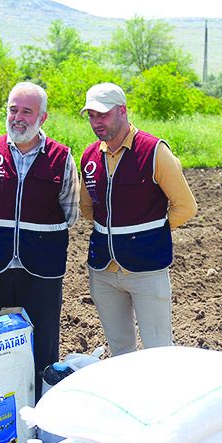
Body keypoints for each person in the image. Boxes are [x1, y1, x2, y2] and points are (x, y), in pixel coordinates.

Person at [0, 82, 79, 393]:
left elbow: (70, 212)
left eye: (26, 111)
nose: (18, 117)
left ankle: (42, 412)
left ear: (42, 117)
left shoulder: (61, 157)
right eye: (13, 110)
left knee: (43, 342)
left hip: (43, 266)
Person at [78, 83, 197, 356]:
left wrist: (149, 235)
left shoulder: (154, 151)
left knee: (158, 352)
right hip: (103, 270)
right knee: (120, 352)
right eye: (91, 116)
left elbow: (185, 206)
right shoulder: (89, 156)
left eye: (103, 115)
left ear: (122, 111)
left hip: (147, 269)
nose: (96, 122)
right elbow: (88, 207)